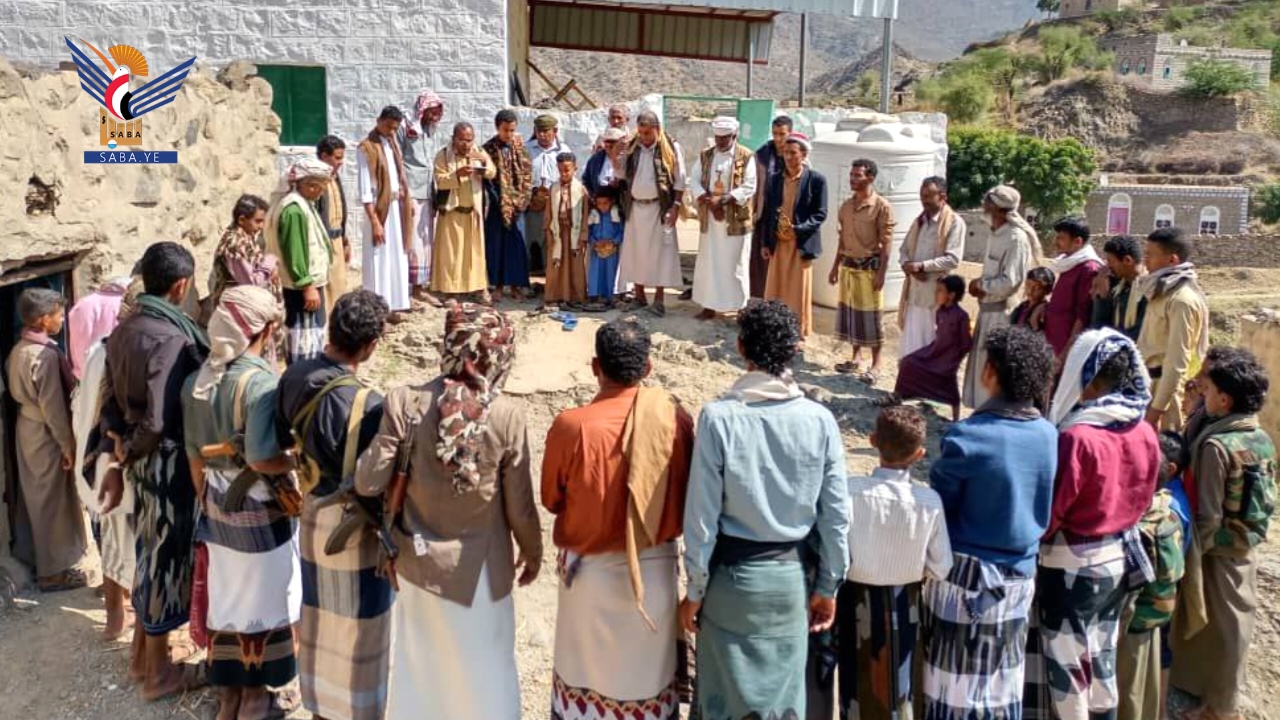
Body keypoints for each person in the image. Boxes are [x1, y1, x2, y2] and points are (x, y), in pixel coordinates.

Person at [356, 303, 542, 720]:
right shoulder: (506, 416)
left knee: (422, 673)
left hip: (417, 566)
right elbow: (520, 507)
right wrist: (533, 553)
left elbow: (368, 481)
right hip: (481, 574)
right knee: (487, 675)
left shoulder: (405, 402)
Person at [681, 300, 850, 720]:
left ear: (740, 347)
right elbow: (836, 517)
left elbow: (701, 518)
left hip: (730, 586)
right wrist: (828, 586)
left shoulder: (718, 419)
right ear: (795, 349)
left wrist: (695, 591)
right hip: (790, 586)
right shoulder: (820, 421)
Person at [542, 318, 694, 720]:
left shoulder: (571, 426)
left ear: (596, 367)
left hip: (587, 581)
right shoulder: (675, 421)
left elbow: (551, 500)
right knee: (647, 690)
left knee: (583, 693)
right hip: (655, 577)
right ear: (648, 368)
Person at [924, 326, 1058, 720]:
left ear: (990, 372)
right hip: (1019, 577)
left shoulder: (968, 436)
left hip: (965, 579)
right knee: (1000, 687)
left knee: (953, 690)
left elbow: (940, 509)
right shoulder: (1048, 435)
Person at [1028, 329, 1161, 720]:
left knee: (1067, 669)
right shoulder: (1143, 430)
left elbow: (1055, 510)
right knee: (1102, 657)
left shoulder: (1078, 437)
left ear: (1084, 374)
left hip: (1073, 565)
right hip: (1119, 559)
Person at [97, 242, 210, 700]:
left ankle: (143, 659)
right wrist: (131, 451)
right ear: (181, 286)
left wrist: (119, 449)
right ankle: (160, 673)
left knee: (149, 552)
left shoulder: (125, 327)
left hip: (142, 459)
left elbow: (109, 398)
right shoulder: (172, 338)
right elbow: (160, 418)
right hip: (166, 461)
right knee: (166, 561)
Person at [182, 286, 299, 720]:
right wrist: (296, 463)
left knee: (228, 598)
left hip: (215, 504)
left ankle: (228, 694)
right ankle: (255, 699)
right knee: (265, 600)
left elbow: (194, 455)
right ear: (263, 330)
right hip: (258, 508)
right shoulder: (261, 384)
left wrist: (206, 498)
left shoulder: (198, 381)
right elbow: (262, 458)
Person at [276, 289, 391, 720]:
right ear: (371, 345)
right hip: (354, 529)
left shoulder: (293, 375)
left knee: (319, 622)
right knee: (361, 631)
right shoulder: (370, 405)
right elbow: (376, 484)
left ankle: (321, 710)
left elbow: (282, 439)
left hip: (312, 517)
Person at [1171, 347, 1275, 720]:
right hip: (1244, 545)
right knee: (1232, 621)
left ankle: (1220, 708)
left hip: (1217, 550)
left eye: (1209, 390)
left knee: (1224, 626)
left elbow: (1208, 515)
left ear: (1225, 399)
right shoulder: (1259, 437)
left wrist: (1188, 555)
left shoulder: (1215, 446)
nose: (1204, 394)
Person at [839, 405, 951, 720]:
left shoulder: (849, 490)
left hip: (855, 601)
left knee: (854, 684)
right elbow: (941, 567)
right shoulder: (928, 501)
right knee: (901, 687)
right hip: (905, 603)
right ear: (920, 454)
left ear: (872, 440)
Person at [6, 288, 88, 592]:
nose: (61, 320)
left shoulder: (19, 349)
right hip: (45, 434)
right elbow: (53, 409)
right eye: (57, 315)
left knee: (37, 498)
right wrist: (67, 445)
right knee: (52, 502)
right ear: (43, 319)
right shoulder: (44, 356)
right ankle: (52, 574)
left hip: (27, 431)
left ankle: (38, 561)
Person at [1116, 430, 1191, 720]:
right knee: (1146, 680)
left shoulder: (1143, 526)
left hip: (1136, 619)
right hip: (1155, 615)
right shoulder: (1170, 507)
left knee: (1129, 688)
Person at [962, 185, 1039, 409]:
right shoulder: (996, 233)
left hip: (1001, 315)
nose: (984, 206)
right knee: (981, 367)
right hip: (987, 311)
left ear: (998, 208)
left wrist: (981, 285)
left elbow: (1010, 282)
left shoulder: (1016, 238)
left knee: (994, 368)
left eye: (988, 203)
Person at [1137, 227, 1209, 432]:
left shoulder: (1182, 300)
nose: (1145, 260)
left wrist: (1155, 412)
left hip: (1164, 398)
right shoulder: (1160, 291)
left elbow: (1177, 364)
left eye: (1150, 255)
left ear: (1172, 260)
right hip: (1147, 386)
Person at [831, 158, 895, 381]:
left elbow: (887, 243)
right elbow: (842, 240)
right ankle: (856, 358)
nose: (852, 179)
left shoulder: (882, 207)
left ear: (870, 178)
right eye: (851, 175)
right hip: (848, 268)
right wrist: (834, 267)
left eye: (857, 175)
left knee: (872, 317)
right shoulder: (846, 206)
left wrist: (881, 274)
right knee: (852, 314)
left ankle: (876, 364)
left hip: (869, 271)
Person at [619, 110, 687, 317]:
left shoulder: (670, 147)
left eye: (648, 133)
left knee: (661, 254)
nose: (644, 137)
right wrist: (616, 155)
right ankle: (639, 296)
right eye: (641, 132)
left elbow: (680, 179)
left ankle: (658, 300)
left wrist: (676, 206)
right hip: (635, 208)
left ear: (657, 129)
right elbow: (622, 173)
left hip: (660, 208)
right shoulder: (632, 147)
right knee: (636, 252)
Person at [266, 159, 334, 365]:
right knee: (304, 337)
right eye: (316, 186)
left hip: (306, 285)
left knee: (310, 335)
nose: (320, 192)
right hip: (301, 287)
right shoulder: (294, 209)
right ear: (305, 184)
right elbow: (295, 251)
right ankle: (303, 374)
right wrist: (307, 285)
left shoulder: (302, 204)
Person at [690, 116, 758, 320]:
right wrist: (709, 201)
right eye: (717, 138)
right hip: (711, 219)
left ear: (734, 136)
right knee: (709, 263)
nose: (720, 142)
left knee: (736, 264)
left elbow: (749, 185)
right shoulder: (706, 155)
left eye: (724, 138)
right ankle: (709, 305)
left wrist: (723, 201)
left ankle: (740, 307)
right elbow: (694, 181)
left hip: (735, 218)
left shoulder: (746, 156)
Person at [762, 133, 828, 338]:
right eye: (785, 153)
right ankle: (773, 329)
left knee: (798, 290)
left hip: (800, 243)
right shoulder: (774, 179)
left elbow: (820, 214)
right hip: (778, 243)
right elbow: (768, 212)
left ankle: (796, 332)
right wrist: (765, 242)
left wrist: (798, 228)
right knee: (776, 287)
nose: (788, 157)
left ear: (804, 155)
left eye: (793, 153)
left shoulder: (816, 180)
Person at [883, 275, 973, 421]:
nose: (936, 294)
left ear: (951, 295)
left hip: (948, 357)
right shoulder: (940, 311)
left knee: (950, 388)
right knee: (908, 362)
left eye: (940, 291)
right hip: (935, 351)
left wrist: (954, 359)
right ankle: (901, 395)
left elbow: (966, 343)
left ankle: (956, 418)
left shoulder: (961, 316)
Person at [897, 176, 965, 358]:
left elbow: (953, 259)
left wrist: (922, 266)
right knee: (911, 344)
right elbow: (903, 250)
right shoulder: (919, 221)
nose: (923, 200)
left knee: (931, 343)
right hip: (915, 293)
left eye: (928, 196)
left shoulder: (954, 222)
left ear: (942, 196)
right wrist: (908, 266)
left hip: (936, 295)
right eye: (922, 195)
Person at [359, 105, 415, 320]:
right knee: (378, 259)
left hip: (395, 208)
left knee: (396, 257)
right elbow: (365, 191)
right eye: (389, 127)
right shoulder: (366, 148)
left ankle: (393, 305)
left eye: (395, 128)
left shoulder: (392, 144)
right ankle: (376, 309)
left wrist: (406, 198)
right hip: (378, 210)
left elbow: (398, 176)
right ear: (379, 121)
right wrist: (375, 222)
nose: (392, 131)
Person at [212, 194, 282, 363]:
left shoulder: (246, 238)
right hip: (242, 311)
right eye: (258, 221)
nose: (261, 226)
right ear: (242, 219)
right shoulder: (234, 243)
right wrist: (269, 262)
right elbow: (251, 283)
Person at [431, 121, 496, 301]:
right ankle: (451, 291)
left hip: (473, 212)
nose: (466, 144)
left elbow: (492, 172)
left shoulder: (478, 152)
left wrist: (483, 164)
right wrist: (457, 175)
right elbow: (440, 180)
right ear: (454, 138)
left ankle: (477, 288)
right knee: (452, 254)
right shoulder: (443, 156)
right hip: (452, 212)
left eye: (469, 140)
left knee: (474, 254)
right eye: (462, 140)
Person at [399, 90, 447, 307]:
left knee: (425, 242)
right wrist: (404, 191)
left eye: (438, 110)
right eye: (432, 110)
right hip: (411, 191)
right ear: (423, 109)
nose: (436, 114)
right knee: (411, 242)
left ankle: (419, 289)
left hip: (427, 192)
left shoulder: (430, 131)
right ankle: (405, 290)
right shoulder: (407, 127)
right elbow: (398, 158)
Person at [483, 108, 534, 299]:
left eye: (512, 130)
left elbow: (527, 175)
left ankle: (516, 285)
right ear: (497, 128)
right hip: (497, 205)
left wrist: (521, 201)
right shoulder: (488, 149)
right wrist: (499, 201)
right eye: (505, 130)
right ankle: (497, 286)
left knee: (516, 246)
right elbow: (487, 179)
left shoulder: (520, 149)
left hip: (518, 206)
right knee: (496, 246)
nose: (509, 134)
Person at [1044, 216, 1103, 360]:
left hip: (1067, 350)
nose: (1056, 242)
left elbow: (1082, 316)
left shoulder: (1088, 269)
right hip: (1054, 343)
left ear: (1077, 242)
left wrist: (1065, 354)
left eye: (1061, 238)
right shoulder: (1069, 264)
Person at [751, 115, 794, 300]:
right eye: (775, 133)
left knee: (784, 262)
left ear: (790, 133)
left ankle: (782, 302)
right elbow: (755, 186)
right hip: (764, 214)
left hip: (787, 216)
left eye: (782, 134)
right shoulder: (762, 155)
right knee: (760, 263)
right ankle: (760, 302)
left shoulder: (797, 153)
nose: (778, 138)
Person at [527, 114, 574, 276]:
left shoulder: (564, 150)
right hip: (533, 203)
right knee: (533, 239)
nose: (542, 135)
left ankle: (552, 279)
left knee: (554, 239)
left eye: (546, 131)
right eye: (539, 131)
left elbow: (569, 177)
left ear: (555, 131)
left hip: (556, 202)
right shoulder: (526, 149)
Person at [544, 151, 589, 308]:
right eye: (560, 170)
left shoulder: (581, 190)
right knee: (557, 262)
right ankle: (555, 295)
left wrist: (583, 233)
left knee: (574, 265)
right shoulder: (553, 188)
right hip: (558, 231)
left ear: (575, 168)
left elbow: (584, 214)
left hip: (574, 232)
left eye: (567, 170)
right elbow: (548, 212)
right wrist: (548, 230)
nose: (563, 174)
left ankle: (576, 296)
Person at [67, 276, 131, 379]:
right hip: (115, 376)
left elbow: (78, 343)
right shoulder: (125, 306)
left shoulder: (84, 303)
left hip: (85, 375)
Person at [316, 135, 351, 314]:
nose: (341, 162)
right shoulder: (314, 181)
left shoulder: (334, 177)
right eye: (337, 158)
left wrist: (345, 241)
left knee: (339, 288)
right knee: (326, 291)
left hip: (337, 241)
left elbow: (340, 213)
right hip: (323, 243)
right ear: (324, 156)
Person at [1102, 234, 1148, 340]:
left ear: (1127, 260)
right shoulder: (1118, 288)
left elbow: (1141, 330)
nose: (1108, 267)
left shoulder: (1149, 289)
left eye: (1111, 261)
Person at [586, 189, 625, 308]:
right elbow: (588, 231)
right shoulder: (593, 215)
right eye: (599, 203)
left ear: (612, 202)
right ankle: (595, 295)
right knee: (596, 271)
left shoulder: (616, 215)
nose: (602, 206)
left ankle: (610, 296)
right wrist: (594, 242)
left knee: (611, 272)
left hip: (611, 249)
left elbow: (621, 231)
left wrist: (613, 242)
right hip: (596, 249)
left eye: (605, 203)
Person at [583, 127, 628, 201]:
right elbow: (586, 180)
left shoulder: (626, 159)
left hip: (620, 201)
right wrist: (592, 197)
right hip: (599, 202)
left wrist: (619, 184)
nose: (609, 144)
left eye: (612, 141)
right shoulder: (595, 159)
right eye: (607, 141)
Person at [1011, 267, 1055, 332]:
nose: (1030, 291)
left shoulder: (1044, 311)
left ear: (1048, 291)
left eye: (1037, 288)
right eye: (1028, 285)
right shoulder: (1021, 307)